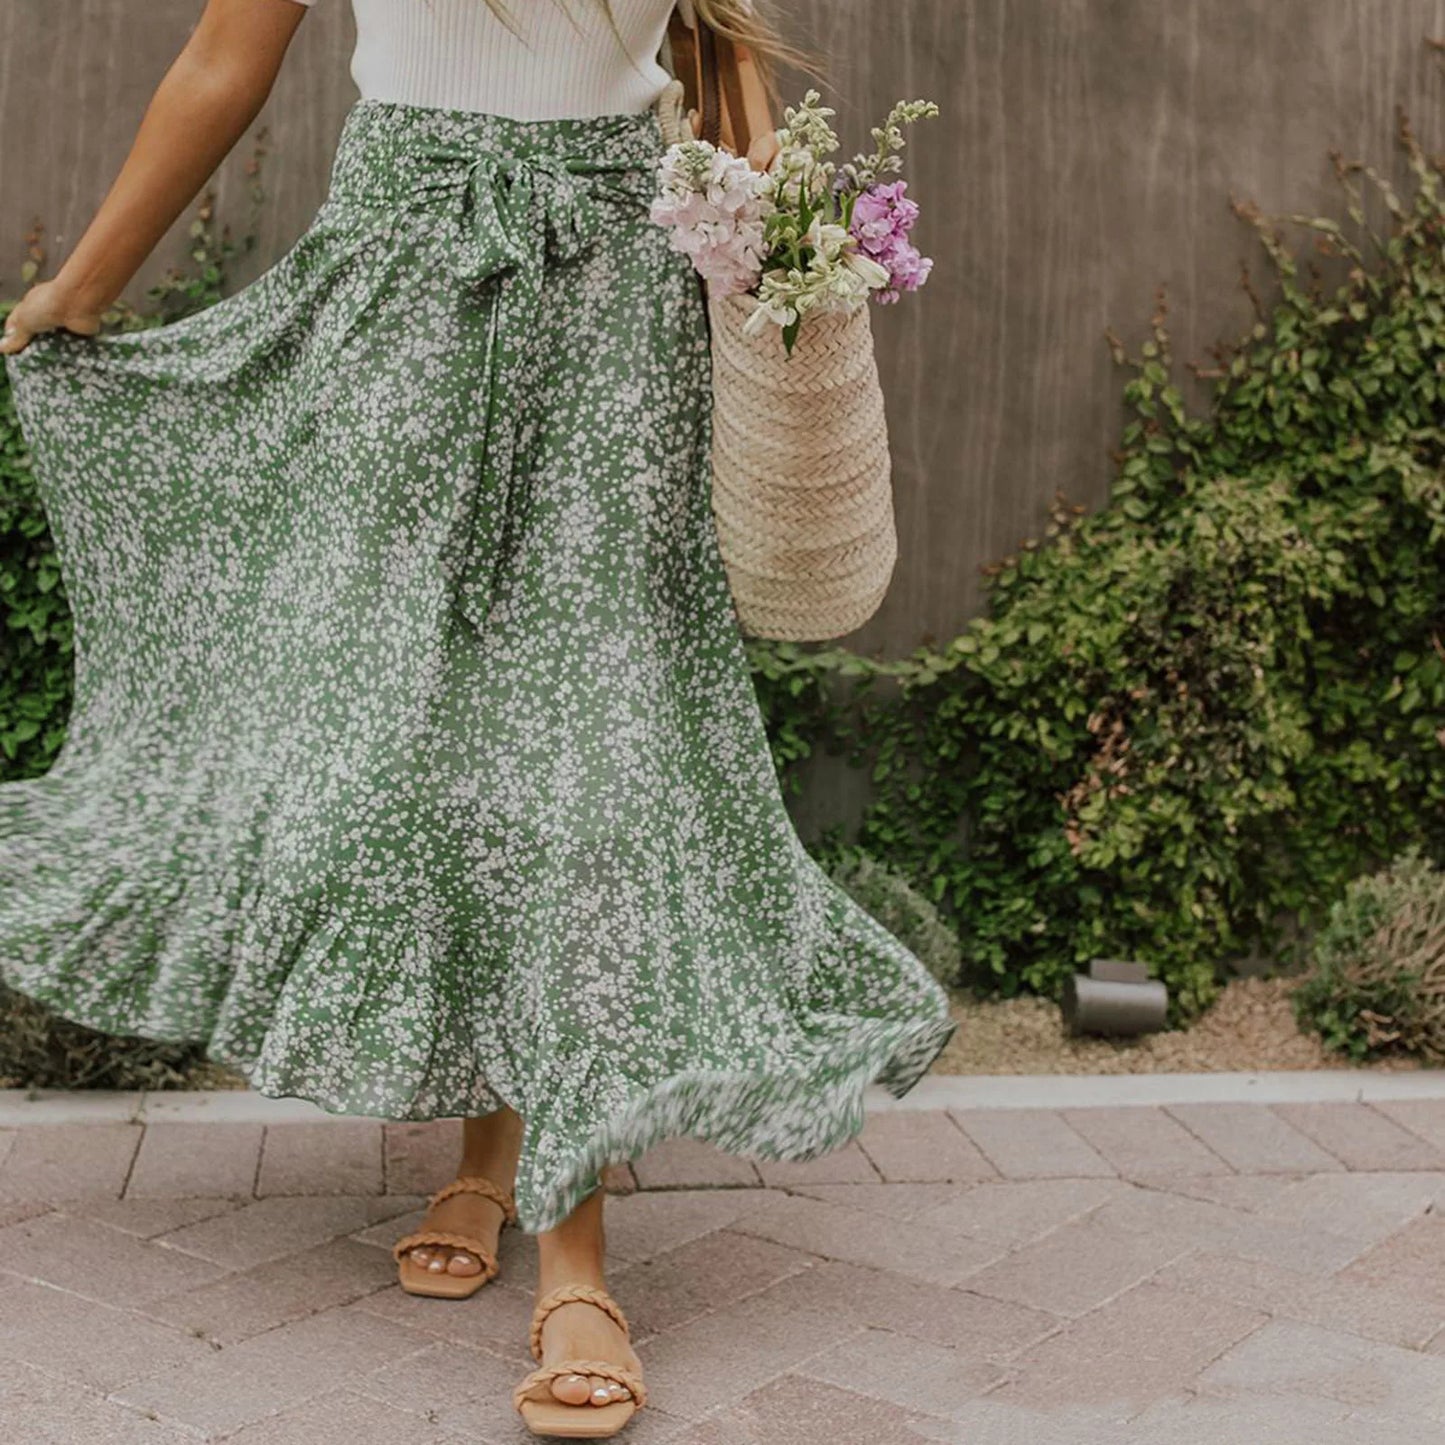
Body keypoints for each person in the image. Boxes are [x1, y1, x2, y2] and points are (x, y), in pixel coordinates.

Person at [0, 0, 956, 1436]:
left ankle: (571, 1246)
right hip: (401, 278)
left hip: (620, 300)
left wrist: (782, 261)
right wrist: (80, 287)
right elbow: (223, 54)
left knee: (590, 756)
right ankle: (490, 1141)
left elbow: (723, 59)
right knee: (403, 752)